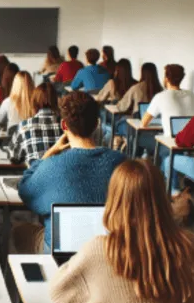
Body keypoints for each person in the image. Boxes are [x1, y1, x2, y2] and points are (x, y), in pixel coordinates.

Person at [40, 159, 194, 303]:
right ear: (163, 199)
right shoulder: (190, 245)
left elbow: (59, 293)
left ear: (115, 199)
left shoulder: (100, 250)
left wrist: (96, 297)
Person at [17, 92, 126, 253]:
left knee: (19, 231)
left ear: (64, 126)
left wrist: (49, 153)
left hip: (62, 253)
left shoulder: (52, 165)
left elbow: (25, 190)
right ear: (97, 124)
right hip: (109, 251)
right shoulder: (122, 162)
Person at [9, 82, 62, 165]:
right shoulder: (66, 126)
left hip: (35, 176)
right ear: (55, 101)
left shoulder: (24, 126)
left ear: (34, 102)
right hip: (62, 176)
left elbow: (14, 157)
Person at [141, 64, 194, 136]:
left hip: (169, 145)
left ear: (166, 78)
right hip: (190, 144)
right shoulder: (192, 96)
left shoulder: (160, 97)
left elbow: (144, 122)